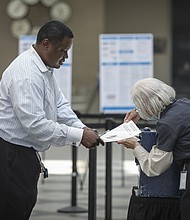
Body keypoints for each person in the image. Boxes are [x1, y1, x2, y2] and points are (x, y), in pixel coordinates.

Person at [0, 20, 104, 220]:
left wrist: (81, 128)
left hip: (24, 154)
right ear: (45, 44)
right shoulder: (27, 75)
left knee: (22, 206)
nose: (65, 56)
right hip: (12, 155)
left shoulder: (44, 68)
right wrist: (79, 135)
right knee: (12, 210)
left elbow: (59, 105)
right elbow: (35, 125)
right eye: (62, 50)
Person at [117, 77, 190, 220]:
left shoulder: (167, 124)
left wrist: (135, 146)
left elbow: (155, 167)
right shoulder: (184, 103)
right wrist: (140, 111)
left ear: (147, 105)